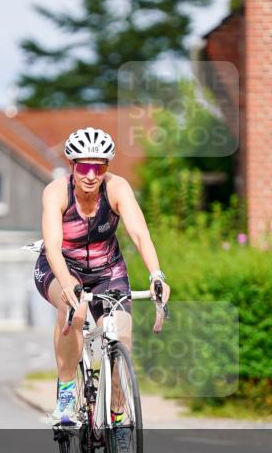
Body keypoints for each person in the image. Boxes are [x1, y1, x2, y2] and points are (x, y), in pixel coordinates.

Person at [33, 126, 170, 426]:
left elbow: (139, 233)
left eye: (99, 167)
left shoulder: (117, 188)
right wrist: (68, 283)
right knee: (74, 308)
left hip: (108, 270)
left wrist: (156, 275)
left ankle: (118, 416)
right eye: (84, 166)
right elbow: (53, 247)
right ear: (72, 166)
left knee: (122, 334)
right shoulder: (56, 192)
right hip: (60, 267)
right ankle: (67, 397)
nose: (91, 175)